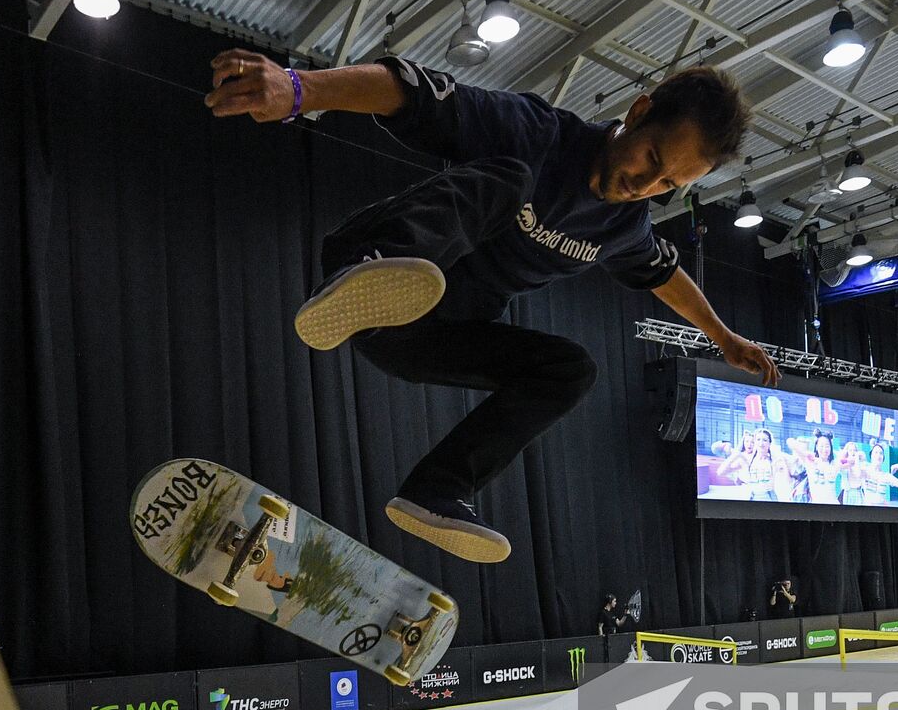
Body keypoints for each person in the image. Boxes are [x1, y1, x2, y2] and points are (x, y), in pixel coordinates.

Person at [204, 51, 780, 564]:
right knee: (510, 178)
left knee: (571, 370)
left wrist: (722, 338)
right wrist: (300, 88)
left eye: (667, 184)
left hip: (423, 337)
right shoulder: (539, 132)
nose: (645, 183)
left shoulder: (625, 228)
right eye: (651, 156)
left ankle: (437, 491)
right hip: (369, 262)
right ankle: (374, 273)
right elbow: (407, 89)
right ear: (638, 110)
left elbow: (664, 274)